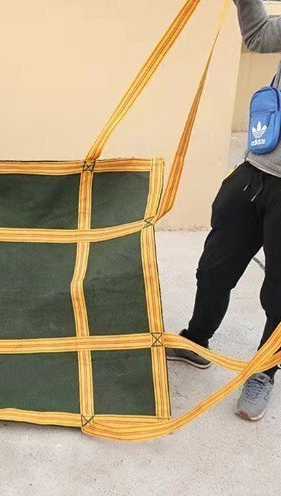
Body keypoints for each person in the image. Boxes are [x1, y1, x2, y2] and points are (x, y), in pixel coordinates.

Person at [167, 0, 281, 421]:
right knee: (214, 267)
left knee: (279, 295)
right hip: (255, 170)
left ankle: (263, 372)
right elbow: (259, 35)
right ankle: (197, 339)